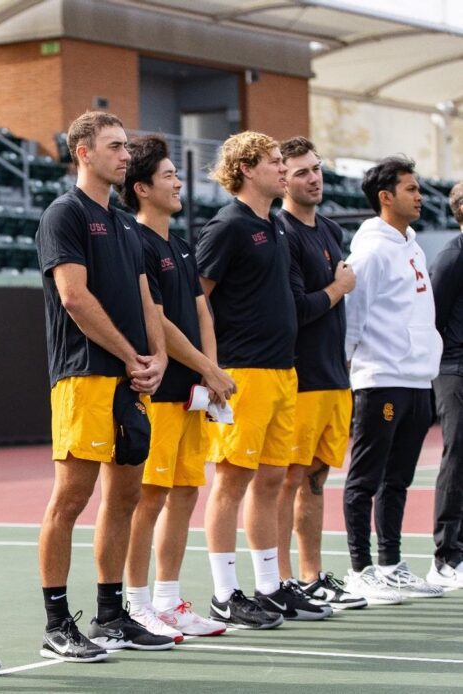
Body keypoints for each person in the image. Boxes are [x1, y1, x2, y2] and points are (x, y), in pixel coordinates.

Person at [34, 111, 173, 661]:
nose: (124, 155)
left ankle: (112, 615)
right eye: (114, 146)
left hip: (130, 380)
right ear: (83, 152)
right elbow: (74, 297)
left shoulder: (123, 225)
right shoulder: (63, 214)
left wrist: (158, 356)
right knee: (70, 498)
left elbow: (146, 298)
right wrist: (131, 353)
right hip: (84, 375)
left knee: (126, 496)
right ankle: (55, 623)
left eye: (126, 146)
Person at [195, 130, 327, 627]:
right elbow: (197, 297)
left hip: (282, 372)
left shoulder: (273, 226)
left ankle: (270, 587)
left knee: (272, 480)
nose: (282, 168)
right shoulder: (227, 226)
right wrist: (211, 365)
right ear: (247, 168)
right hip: (243, 373)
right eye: (274, 162)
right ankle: (224, 593)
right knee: (231, 481)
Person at [119, 135, 234, 639]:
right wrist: (206, 369)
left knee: (185, 491)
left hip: (193, 393)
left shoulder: (181, 243)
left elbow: (201, 308)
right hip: (160, 393)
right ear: (142, 187)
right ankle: (137, 601)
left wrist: (211, 370)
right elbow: (157, 321)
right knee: (151, 497)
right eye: (168, 175)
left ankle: (169, 599)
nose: (177, 181)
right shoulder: (136, 241)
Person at [342, 156, 445, 601]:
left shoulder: (414, 246)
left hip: (417, 379)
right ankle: (360, 569)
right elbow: (353, 316)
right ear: (386, 198)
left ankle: (390, 563)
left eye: (420, 188)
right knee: (366, 477)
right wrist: (347, 372)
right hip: (380, 378)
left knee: (398, 479)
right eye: (410, 189)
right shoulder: (371, 250)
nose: (419, 196)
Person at [274, 137, 366, 610]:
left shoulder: (329, 229)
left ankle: (312, 577)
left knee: (315, 479)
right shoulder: (280, 233)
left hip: (334, 378)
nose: (314, 178)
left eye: (316, 169)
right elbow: (295, 310)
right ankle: (282, 580)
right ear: (281, 178)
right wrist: (338, 287)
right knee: (286, 481)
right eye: (301, 172)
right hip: (300, 379)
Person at [427, 182, 463, 590]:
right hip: (454, 369)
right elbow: (431, 316)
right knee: (457, 458)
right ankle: (446, 556)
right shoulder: (453, 256)